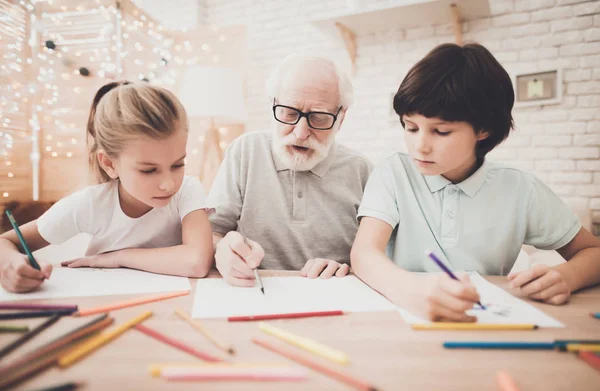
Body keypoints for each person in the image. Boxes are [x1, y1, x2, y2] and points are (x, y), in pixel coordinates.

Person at [351, 43, 600, 322]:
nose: (419, 146)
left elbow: (593, 251)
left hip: (484, 322)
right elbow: (364, 252)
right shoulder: (393, 173)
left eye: (441, 131)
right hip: (401, 321)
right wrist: (409, 290)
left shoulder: (520, 189)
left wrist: (566, 276)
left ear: (484, 130)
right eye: (410, 127)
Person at [0, 81, 214, 293]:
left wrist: (119, 256)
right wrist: (12, 264)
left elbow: (197, 261)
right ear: (109, 164)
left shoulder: (188, 190)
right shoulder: (91, 203)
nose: (169, 183)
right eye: (148, 170)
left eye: (178, 165)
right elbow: (5, 242)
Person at [208, 52, 372, 287]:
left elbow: (379, 257)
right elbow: (211, 233)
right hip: (252, 292)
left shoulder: (362, 170)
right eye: (289, 113)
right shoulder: (245, 151)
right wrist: (222, 249)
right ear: (273, 105)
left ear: (340, 118)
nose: (301, 132)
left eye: (319, 117)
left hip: (331, 297)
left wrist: (350, 269)